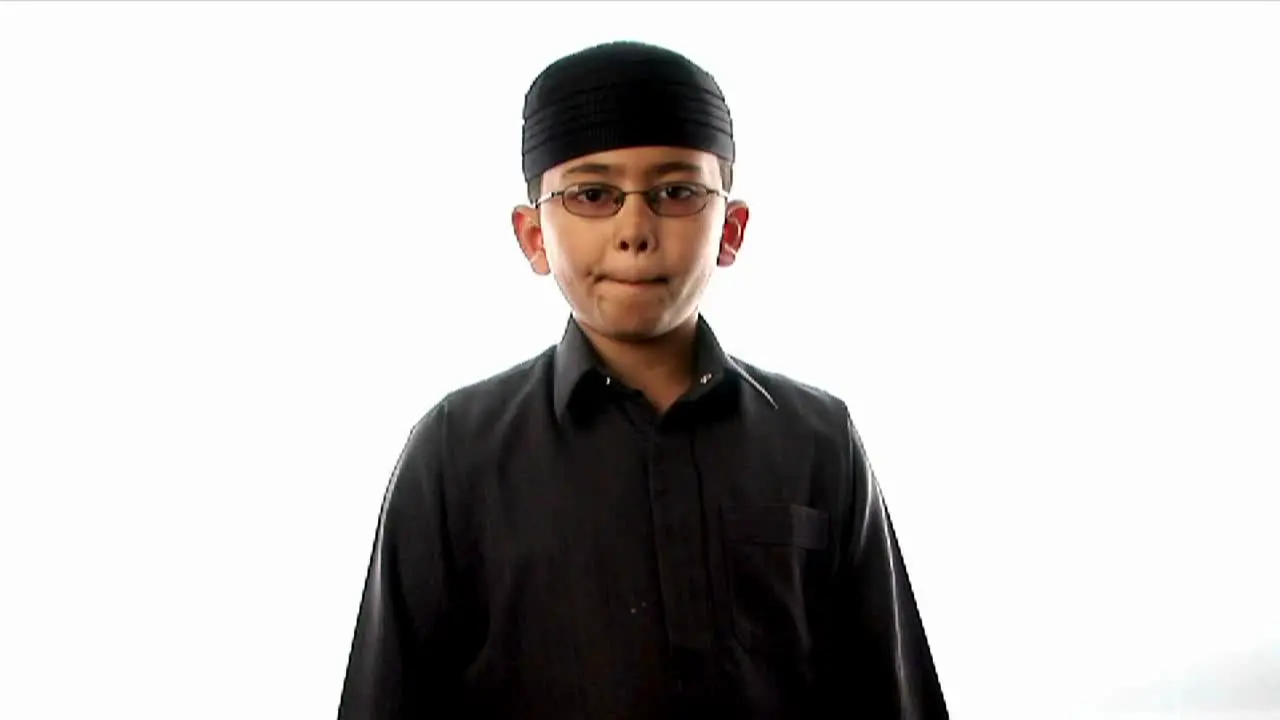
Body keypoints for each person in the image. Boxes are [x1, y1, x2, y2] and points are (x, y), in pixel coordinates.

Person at [338, 40, 948, 719]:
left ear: (732, 228)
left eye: (677, 191)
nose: (636, 229)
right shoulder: (454, 454)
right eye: (592, 194)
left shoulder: (818, 443)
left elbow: (892, 698)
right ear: (534, 235)